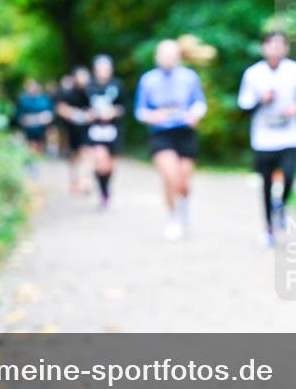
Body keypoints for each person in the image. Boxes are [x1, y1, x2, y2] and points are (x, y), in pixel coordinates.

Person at [237, 31, 296, 246]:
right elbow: (244, 105)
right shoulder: (253, 74)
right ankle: (268, 228)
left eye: (281, 45)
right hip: (263, 138)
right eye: (272, 45)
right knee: (266, 183)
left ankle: (281, 205)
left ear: (287, 48)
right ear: (264, 48)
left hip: (290, 135)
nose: (276, 49)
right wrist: (262, 99)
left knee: (289, 175)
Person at [134, 39, 207, 240]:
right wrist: (152, 116)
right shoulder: (148, 80)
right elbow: (140, 110)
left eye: (172, 55)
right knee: (170, 176)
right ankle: (173, 217)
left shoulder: (189, 77)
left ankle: (184, 207)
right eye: (164, 55)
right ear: (157, 57)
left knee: (183, 182)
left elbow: (200, 103)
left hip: (184, 132)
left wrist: (194, 115)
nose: (168, 59)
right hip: (161, 134)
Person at [86, 55, 125, 208]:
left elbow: (123, 107)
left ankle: (106, 188)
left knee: (110, 166)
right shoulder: (89, 86)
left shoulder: (117, 85)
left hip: (113, 129)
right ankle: (102, 192)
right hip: (95, 130)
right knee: (99, 162)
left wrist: (114, 112)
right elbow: (81, 107)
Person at [56, 66, 93, 195]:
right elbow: (60, 108)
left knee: (87, 153)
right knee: (74, 157)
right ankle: (74, 181)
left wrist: (89, 115)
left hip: (87, 129)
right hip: (71, 130)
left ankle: (85, 181)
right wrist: (75, 114)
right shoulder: (67, 93)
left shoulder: (91, 92)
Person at [14, 78, 54, 157]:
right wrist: (36, 118)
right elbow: (19, 116)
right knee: (31, 147)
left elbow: (51, 114)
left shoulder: (45, 99)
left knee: (40, 148)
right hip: (28, 130)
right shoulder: (23, 100)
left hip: (42, 130)